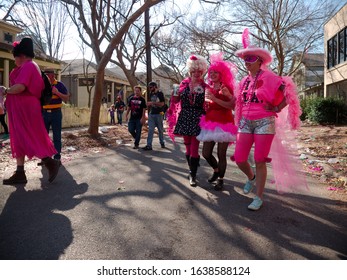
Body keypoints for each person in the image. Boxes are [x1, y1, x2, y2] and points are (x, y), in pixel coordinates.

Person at [231, 29, 302, 210]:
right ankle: (251, 177)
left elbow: (289, 92)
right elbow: (239, 102)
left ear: (260, 61)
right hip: (246, 122)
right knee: (240, 158)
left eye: (251, 59)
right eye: (245, 59)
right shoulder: (244, 81)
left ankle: (259, 197)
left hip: (265, 121)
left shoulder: (270, 77)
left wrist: (278, 107)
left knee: (260, 158)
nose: (247, 63)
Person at [0, 37, 60, 185]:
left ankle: (50, 162)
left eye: (15, 57)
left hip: (26, 110)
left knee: (30, 136)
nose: (14, 61)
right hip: (21, 110)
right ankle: (20, 172)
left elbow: (20, 87)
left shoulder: (29, 66)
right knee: (20, 138)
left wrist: (6, 90)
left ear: (22, 55)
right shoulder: (26, 67)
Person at [197, 53, 238, 191]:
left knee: (221, 154)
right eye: (211, 72)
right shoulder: (207, 88)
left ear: (221, 74)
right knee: (206, 153)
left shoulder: (226, 87)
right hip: (209, 123)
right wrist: (206, 104)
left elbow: (232, 106)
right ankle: (216, 170)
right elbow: (208, 104)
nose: (213, 74)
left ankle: (221, 179)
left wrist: (215, 99)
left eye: (216, 72)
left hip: (225, 123)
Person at [167, 54, 208, 186]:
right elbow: (175, 100)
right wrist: (175, 93)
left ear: (202, 72)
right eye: (193, 71)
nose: (196, 73)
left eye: (199, 71)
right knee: (188, 147)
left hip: (198, 118)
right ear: (190, 71)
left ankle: (193, 175)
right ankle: (192, 168)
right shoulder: (183, 84)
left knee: (194, 148)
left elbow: (209, 103)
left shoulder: (206, 86)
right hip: (185, 116)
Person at [42, 68, 69, 161]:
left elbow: (66, 98)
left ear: (52, 75)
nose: (44, 77)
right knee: (44, 136)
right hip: (44, 114)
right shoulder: (42, 85)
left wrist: (57, 92)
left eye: (46, 75)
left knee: (57, 135)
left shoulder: (60, 85)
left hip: (56, 113)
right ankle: (45, 156)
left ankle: (57, 156)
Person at [142, 81, 165, 151]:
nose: (150, 89)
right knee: (150, 130)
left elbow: (162, 104)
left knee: (160, 129)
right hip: (151, 114)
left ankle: (162, 142)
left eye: (151, 87)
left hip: (159, 113)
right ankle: (149, 145)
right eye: (149, 87)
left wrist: (152, 103)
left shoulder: (160, 93)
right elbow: (151, 103)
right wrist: (149, 105)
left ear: (155, 87)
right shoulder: (150, 94)